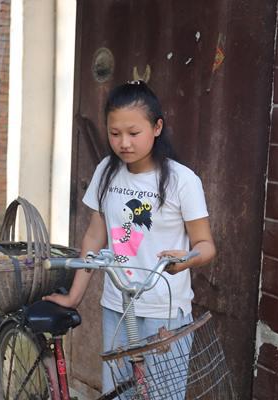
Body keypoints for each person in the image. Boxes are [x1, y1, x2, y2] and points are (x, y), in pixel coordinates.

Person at [44, 81, 216, 396]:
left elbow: (205, 245)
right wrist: (74, 296)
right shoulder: (107, 171)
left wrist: (186, 258)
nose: (123, 143)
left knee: (164, 395)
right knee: (118, 393)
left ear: (157, 127)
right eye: (114, 133)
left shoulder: (182, 181)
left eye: (133, 133)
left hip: (164, 311)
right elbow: (94, 236)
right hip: (117, 306)